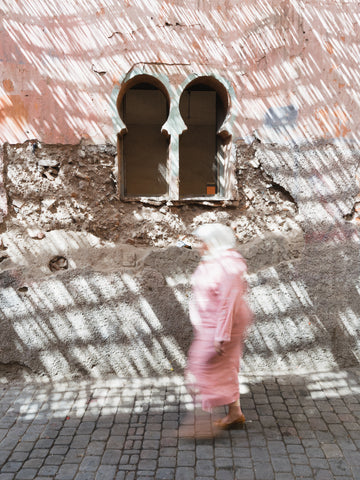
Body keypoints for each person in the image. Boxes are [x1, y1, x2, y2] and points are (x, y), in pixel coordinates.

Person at [184, 223, 252, 436]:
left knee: (199, 366)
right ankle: (234, 414)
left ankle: (202, 421)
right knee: (226, 366)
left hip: (223, 326)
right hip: (210, 324)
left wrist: (221, 336)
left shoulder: (228, 267)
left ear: (215, 242)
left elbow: (227, 303)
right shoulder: (214, 260)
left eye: (203, 241)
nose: (199, 246)